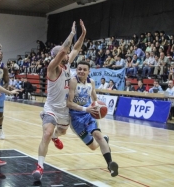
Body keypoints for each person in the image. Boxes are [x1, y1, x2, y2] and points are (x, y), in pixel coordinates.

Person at [32, 20, 86, 181]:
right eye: (65, 52)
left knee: (61, 132)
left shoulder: (67, 64)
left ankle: (56, 136)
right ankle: (40, 167)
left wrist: (82, 34)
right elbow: (65, 48)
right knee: (47, 133)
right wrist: (71, 33)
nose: (68, 53)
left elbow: (76, 47)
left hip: (64, 109)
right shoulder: (52, 68)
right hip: (51, 108)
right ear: (57, 56)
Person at [67, 61, 119, 177]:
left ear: (89, 72)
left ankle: (110, 165)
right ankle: (105, 139)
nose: (81, 71)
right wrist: (86, 109)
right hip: (75, 118)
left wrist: (99, 108)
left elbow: (95, 99)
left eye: (84, 69)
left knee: (98, 135)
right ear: (76, 70)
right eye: (79, 69)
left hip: (89, 114)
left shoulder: (92, 82)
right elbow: (69, 103)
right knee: (93, 146)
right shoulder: (73, 81)